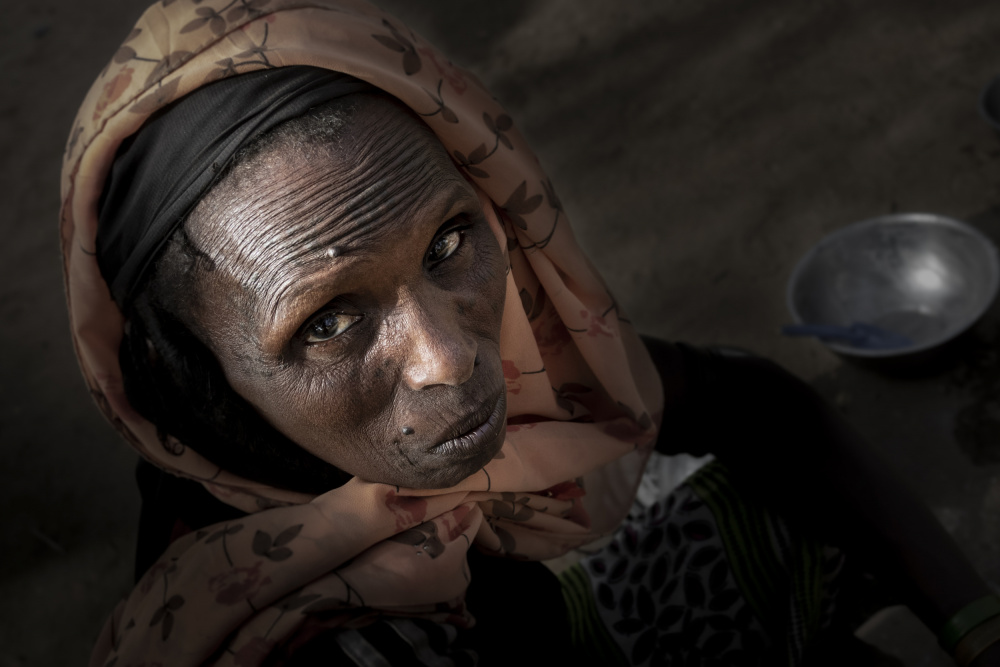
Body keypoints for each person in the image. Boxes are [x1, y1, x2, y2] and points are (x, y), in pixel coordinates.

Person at [60, 1, 1000, 665]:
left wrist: (970, 619)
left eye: (450, 240)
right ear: (192, 380)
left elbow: (756, 403)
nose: (451, 358)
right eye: (330, 323)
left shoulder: (501, 371)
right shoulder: (345, 642)